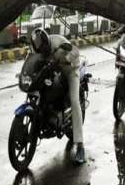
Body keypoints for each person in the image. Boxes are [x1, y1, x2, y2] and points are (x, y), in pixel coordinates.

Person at [31, 28, 86, 164]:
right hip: (53, 71)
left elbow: (76, 51)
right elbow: (32, 61)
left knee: (74, 101)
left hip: (70, 71)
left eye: (44, 49)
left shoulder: (59, 41)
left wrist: (66, 59)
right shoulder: (37, 49)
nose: (43, 52)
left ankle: (80, 147)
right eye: (40, 51)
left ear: (47, 43)